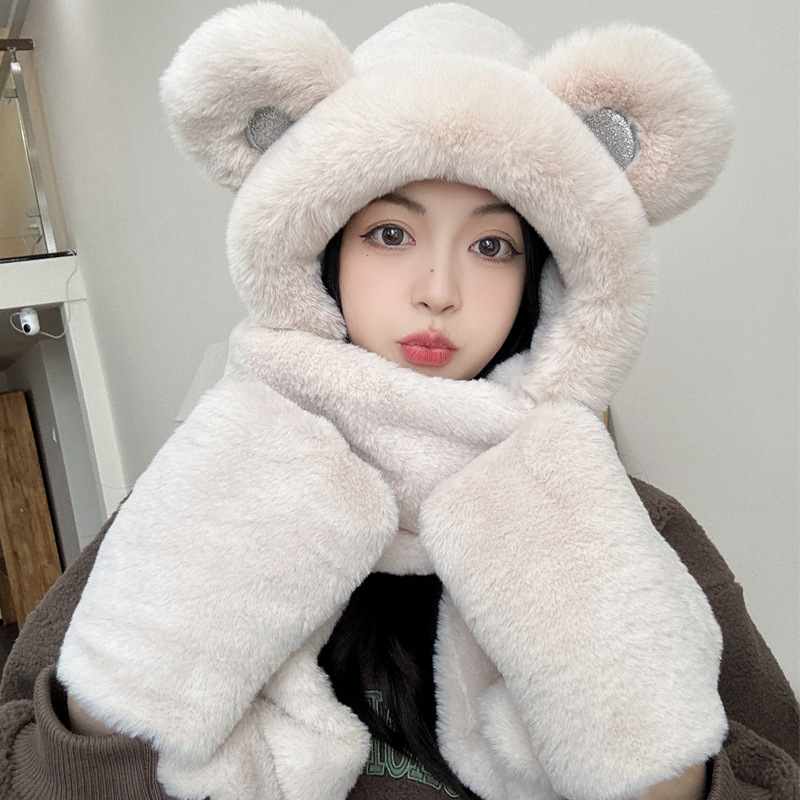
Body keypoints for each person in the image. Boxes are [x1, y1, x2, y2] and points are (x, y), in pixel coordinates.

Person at [1, 4, 797, 800]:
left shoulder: (630, 526)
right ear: (323, 247)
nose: (439, 290)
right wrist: (139, 666)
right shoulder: (201, 489)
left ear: (543, 277)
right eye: (390, 233)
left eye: (492, 246)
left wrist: (640, 734)